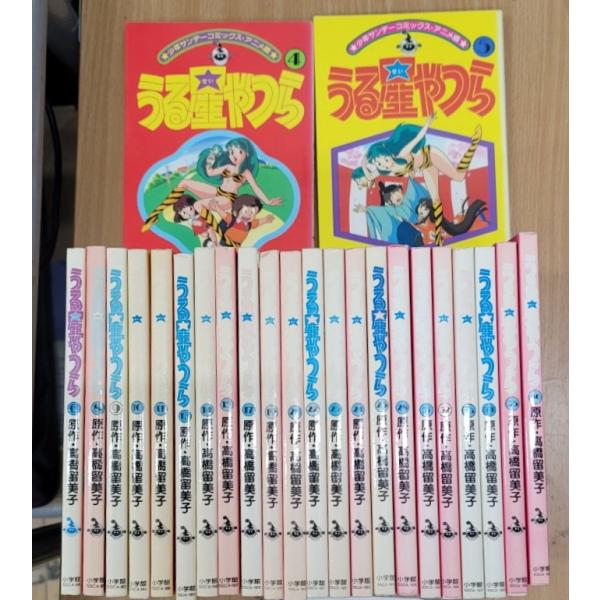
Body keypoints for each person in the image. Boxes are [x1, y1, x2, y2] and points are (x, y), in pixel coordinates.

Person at [207, 194, 275, 247]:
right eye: (245, 211)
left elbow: (259, 221)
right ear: (235, 212)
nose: (248, 215)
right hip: (225, 243)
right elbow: (224, 214)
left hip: (237, 246)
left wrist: (266, 219)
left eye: (252, 213)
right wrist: (216, 207)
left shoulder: (250, 224)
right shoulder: (232, 220)